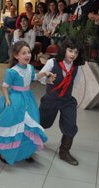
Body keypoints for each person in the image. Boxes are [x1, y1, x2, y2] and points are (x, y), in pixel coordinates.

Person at [0, 41, 54, 165]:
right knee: (11, 126)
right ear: (16, 56)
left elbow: (33, 77)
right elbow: (5, 86)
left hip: (28, 99)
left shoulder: (30, 67)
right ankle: (3, 151)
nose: (27, 55)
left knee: (28, 125)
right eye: (24, 53)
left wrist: (44, 73)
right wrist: (7, 99)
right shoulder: (12, 71)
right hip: (15, 100)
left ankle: (25, 152)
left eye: (28, 52)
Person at [39, 37, 85, 166]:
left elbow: (75, 83)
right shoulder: (52, 62)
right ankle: (31, 143)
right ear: (64, 50)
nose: (73, 55)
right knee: (42, 123)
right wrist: (47, 80)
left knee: (70, 126)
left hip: (67, 100)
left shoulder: (77, 67)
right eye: (70, 51)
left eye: (76, 52)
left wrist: (64, 93)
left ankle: (64, 152)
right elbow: (41, 77)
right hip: (51, 99)